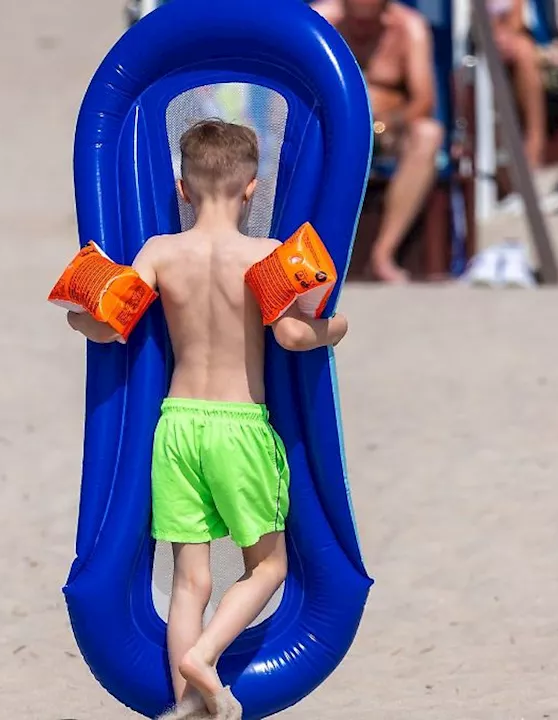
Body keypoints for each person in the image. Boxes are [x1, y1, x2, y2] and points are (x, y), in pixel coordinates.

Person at [62, 119, 349, 719]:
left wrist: (76, 316)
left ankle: (186, 708)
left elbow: (110, 326)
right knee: (269, 564)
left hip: (177, 424)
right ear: (252, 189)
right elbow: (295, 336)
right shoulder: (266, 256)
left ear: (182, 189)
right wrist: (337, 327)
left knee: (190, 581)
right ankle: (206, 657)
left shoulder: (161, 252)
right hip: (239, 425)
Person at [312, 0, 445, 283]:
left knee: (428, 134)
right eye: (355, 18)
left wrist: (387, 124)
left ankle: (383, 254)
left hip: (390, 129)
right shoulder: (321, 20)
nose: (361, 28)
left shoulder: (409, 27)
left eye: (368, 20)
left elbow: (424, 99)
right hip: (331, 127)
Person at [485, 0, 548, 167]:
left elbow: (516, 21)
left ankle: (534, 143)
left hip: (508, 41)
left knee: (524, 53)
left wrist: (504, 36)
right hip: (475, 40)